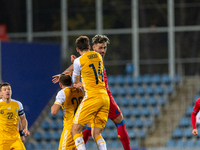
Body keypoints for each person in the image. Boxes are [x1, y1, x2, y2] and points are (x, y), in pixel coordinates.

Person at [71, 36, 110, 150]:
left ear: (77, 49)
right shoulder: (98, 56)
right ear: (89, 47)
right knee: (97, 134)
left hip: (92, 97)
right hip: (104, 98)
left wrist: (75, 65)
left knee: (75, 130)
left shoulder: (78, 61)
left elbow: (75, 81)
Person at [51, 74, 83, 150]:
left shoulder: (62, 93)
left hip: (69, 129)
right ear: (71, 82)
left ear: (60, 84)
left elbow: (54, 112)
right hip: (79, 129)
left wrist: (54, 105)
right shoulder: (80, 90)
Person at [0, 82, 30, 150]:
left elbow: (22, 119)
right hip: (3, 139)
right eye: (5, 90)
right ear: (1, 93)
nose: (7, 91)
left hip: (15, 139)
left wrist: (25, 129)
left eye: (9, 89)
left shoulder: (18, 104)